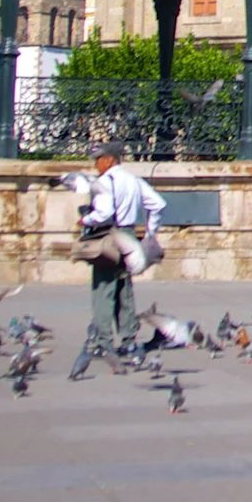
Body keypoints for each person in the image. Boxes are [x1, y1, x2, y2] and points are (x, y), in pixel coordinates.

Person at [81, 141, 165, 355]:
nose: (96, 165)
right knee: (124, 288)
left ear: (109, 160)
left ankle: (103, 340)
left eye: (98, 160)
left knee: (103, 290)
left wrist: (86, 220)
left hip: (109, 236)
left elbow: (103, 213)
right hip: (128, 235)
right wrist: (150, 232)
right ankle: (128, 337)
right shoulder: (133, 180)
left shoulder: (104, 182)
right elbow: (157, 204)